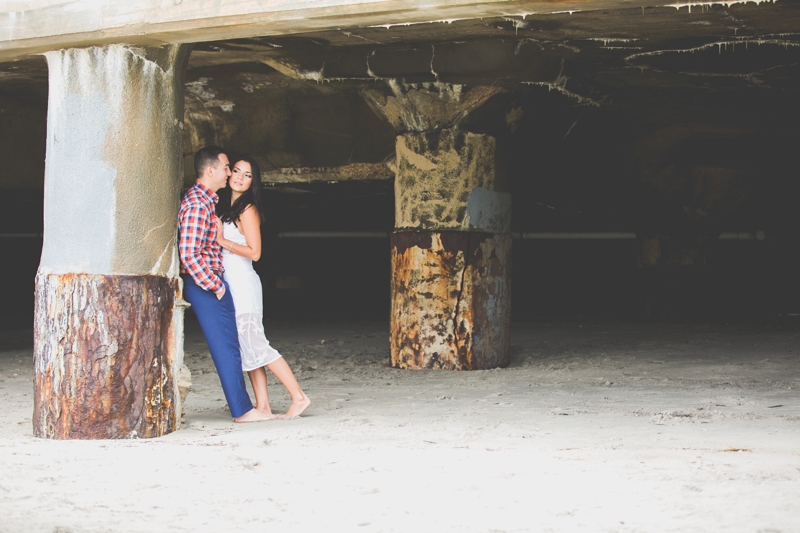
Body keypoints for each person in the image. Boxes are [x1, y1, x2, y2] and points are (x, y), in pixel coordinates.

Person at [178, 146, 273, 423]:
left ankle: (245, 408)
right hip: (205, 284)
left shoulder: (208, 201)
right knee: (228, 347)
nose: (230, 172)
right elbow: (189, 253)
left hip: (212, 282)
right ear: (210, 171)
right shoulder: (197, 203)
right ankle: (243, 411)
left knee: (230, 346)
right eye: (227, 167)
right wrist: (215, 285)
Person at [216, 155, 311, 418]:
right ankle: (264, 406)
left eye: (247, 175)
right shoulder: (227, 207)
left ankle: (299, 397)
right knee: (248, 347)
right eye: (236, 171)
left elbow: (255, 253)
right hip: (232, 285)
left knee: (256, 343)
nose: (239, 177)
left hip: (244, 283)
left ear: (253, 182)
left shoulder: (247, 209)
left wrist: (222, 241)